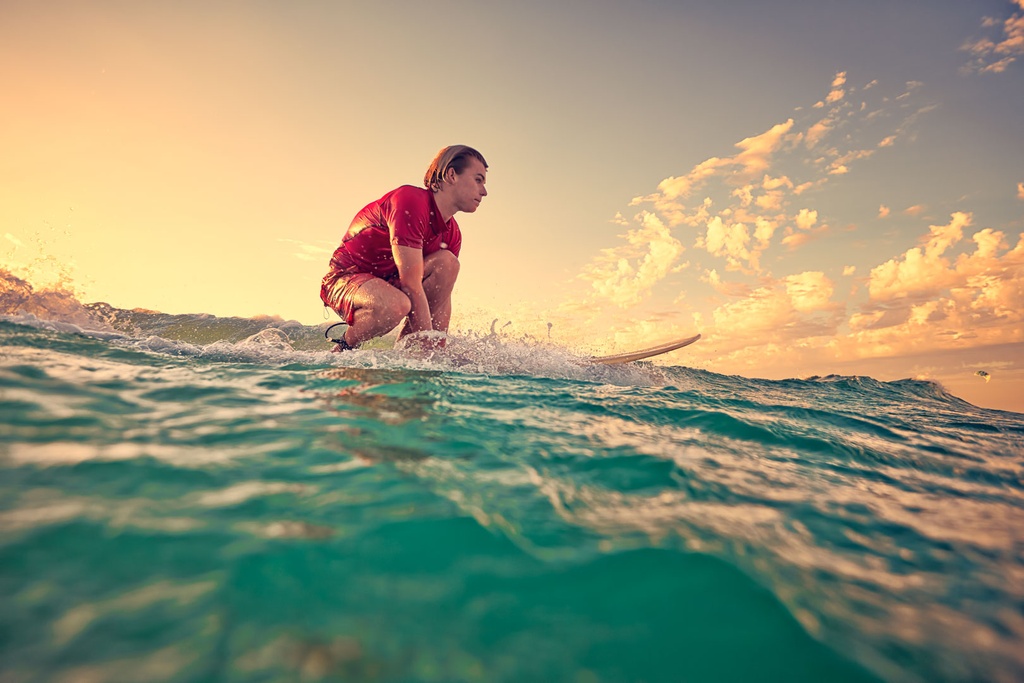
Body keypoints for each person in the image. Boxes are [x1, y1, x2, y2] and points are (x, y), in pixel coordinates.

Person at [320, 145, 488, 351]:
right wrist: (429, 344)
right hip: (346, 279)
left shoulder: (452, 234)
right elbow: (410, 283)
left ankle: (404, 355)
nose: (484, 191)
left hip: (391, 284)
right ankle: (343, 348)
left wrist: (437, 351)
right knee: (395, 305)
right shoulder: (411, 200)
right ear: (452, 175)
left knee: (448, 263)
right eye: (478, 180)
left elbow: (442, 299)